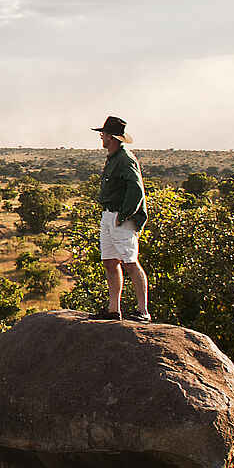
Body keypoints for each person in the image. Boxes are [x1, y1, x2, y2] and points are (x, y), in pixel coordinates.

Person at [91, 116, 150, 322]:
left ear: (112, 137)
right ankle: (113, 309)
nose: (101, 137)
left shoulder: (125, 159)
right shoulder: (113, 157)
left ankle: (143, 311)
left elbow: (136, 190)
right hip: (109, 215)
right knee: (109, 261)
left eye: (103, 134)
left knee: (130, 262)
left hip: (121, 217)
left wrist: (124, 215)